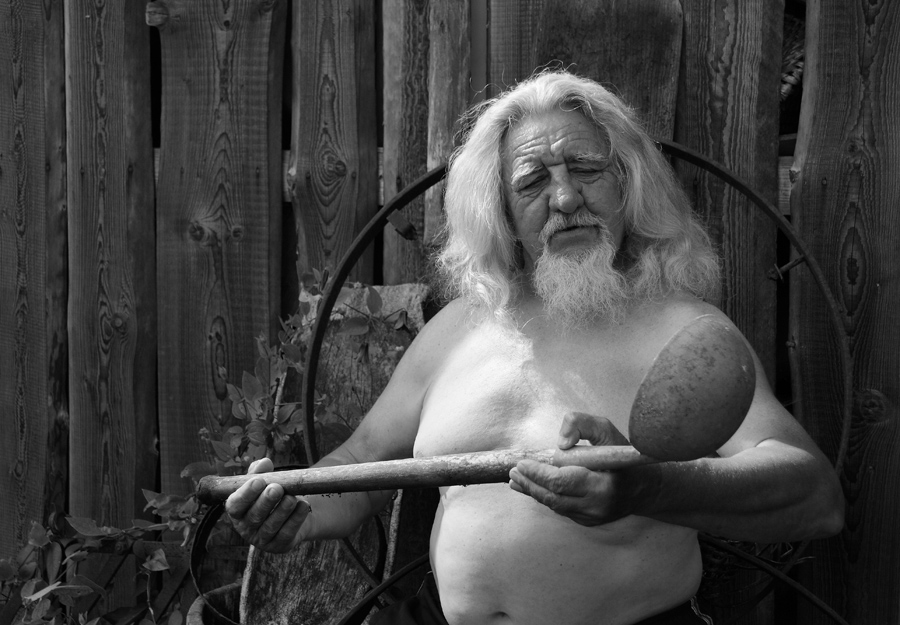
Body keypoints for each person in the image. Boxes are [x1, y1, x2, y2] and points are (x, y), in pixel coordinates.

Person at [225, 70, 844, 625]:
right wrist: (298, 508)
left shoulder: (685, 331)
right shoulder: (460, 327)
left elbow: (817, 499)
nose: (566, 199)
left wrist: (647, 489)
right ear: (500, 209)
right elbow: (361, 466)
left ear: (628, 183)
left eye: (586, 169)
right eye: (532, 181)